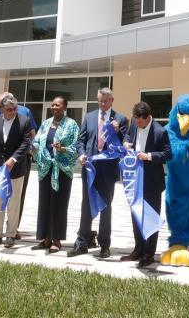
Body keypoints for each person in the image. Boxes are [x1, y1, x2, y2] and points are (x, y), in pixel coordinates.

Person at [70, 87, 129, 258]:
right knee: (86, 205)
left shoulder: (120, 119)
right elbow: (81, 140)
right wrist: (81, 154)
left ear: (112, 100)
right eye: (100, 101)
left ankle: (104, 244)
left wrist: (118, 132)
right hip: (90, 168)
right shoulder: (89, 117)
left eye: (105, 101)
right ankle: (82, 242)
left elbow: (126, 141)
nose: (102, 104)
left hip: (108, 170)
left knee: (106, 206)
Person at [119, 101, 171, 268]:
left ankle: (149, 253)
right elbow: (127, 136)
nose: (137, 124)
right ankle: (138, 249)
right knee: (136, 215)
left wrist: (147, 156)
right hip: (134, 178)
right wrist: (126, 143)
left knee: (150, 217)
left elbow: (167, 154)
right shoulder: (134, 125)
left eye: (140, 121)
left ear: (148, 118)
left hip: (152, 182)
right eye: (135, 120)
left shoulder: (160, 131)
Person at [0, 94, 32, 248]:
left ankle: (10, 234)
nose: (12, 112)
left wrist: (13, 159)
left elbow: (26, 143)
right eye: (9, 109)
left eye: (14, 109)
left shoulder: (24, 121)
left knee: (13, 204)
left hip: (15, 169)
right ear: (2, 109)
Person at [31, 96, 79, 253]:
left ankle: (56, 240)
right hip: (46, 168)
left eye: (57, 105)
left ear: (65, 107)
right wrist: (35, 146)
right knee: (44, 202)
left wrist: (62, 149)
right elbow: (37, 140)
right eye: (52, 104)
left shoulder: (71, 125)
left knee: (59, 204)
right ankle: (45, 238)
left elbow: (76, 147)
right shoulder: (45, 124)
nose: (54, 107)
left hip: (62, 170)